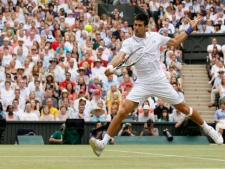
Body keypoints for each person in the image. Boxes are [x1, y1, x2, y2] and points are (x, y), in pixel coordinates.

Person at [89, 13, 223, 157]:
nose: (136, 28)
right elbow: (119, 57)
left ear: (146, 27)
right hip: (142, 84)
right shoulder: (129, 42)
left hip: (159, 81)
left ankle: (209, 129)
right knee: (123, 111)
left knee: (184, 108)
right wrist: (109, 67)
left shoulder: (156, 37)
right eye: (135, 25)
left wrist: (190, 29)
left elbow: (175, 42)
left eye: (140, 25)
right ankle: (102, 144)